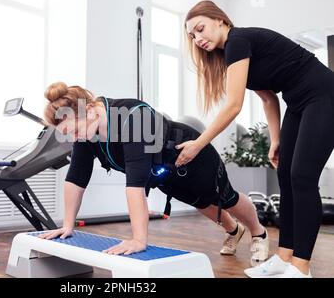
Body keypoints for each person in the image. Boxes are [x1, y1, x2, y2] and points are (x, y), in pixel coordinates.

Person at [179, 0, 334, 278]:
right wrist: (275, 139)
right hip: (297, 102)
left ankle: (301, 267)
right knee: (285, 176)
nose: (198, 38)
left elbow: (233, 106)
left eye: (200, 29)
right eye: (192, 36)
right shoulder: (232, 52)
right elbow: (267, 97)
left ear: (220, 20)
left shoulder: (238, 40)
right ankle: (285, 257)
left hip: (323, 94)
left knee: (301, 177)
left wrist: (198, 144)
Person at [38, 81, 268, 265]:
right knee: (201, 203)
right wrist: (67, 225)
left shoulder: (132, 117)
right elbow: (76, 178)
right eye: (68, 134)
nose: (74, 137)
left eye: (74, 131)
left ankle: (259, 233)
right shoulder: (85, 131)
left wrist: (139, 240)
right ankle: (234, 230)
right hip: (165, 173)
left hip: (193, 157)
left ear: (89, 111)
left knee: (226, 199)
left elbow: (135, 185)